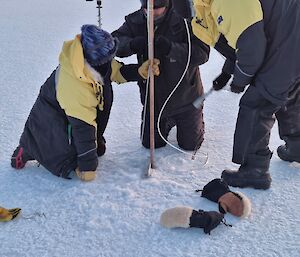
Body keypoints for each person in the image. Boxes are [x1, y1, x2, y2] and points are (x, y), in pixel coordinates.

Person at [11, 25, 160, 181]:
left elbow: (114, 71)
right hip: (53, 120)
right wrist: (87, 167)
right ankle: (27, 149)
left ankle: (69, 149)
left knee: (92, 146)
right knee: (60, 155)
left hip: (71, 115)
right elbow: (83, 127)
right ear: (94, 62)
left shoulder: (94, 61)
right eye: (106, 61)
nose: (109, 63)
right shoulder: (74, 84)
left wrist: (139, 72)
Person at [191, 0, 300, 189]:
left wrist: (241, 80)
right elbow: (243, 35)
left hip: (285, 46)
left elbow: (252, 48)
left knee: (256, 104)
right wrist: (228, 71)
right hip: (291, 38)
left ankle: (255, 171)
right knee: (289, 93)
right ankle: (297, 147)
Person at [112, 0, 209, 151]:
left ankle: (195, 119)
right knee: (150, 144)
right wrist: (133, 44)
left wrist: (171, 48)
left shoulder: (185, 19)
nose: (151, 12)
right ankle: (167, 120)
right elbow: (114, 42)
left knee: (190, 145)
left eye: (156, 8)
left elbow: (202, 53)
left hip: (186, 97)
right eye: (146, 8)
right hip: (154, 99)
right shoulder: (135, 20)